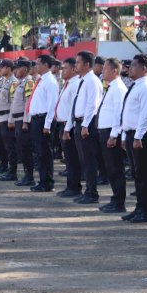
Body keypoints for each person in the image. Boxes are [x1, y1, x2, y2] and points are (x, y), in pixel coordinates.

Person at [119, 54, 147, 222]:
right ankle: (139, 207)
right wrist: (125, 134)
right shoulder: (137, 85)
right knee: (137, 174)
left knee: (144, 174)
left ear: (143, 68)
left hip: (142, 134)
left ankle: (145, 210)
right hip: (132, 133)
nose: (130, 69)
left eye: (134, 65)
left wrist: (138, 137)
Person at [64, 51, 103, 204]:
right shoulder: (83, 81)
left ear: (87, 64)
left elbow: (92, 105)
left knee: (89, 160)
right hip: (80, 122)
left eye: (78, 62)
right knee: (83, 160)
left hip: (88, 123)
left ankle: (92, 192)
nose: (76, 65)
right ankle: (88, 190)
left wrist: (85, 125)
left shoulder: (92, 81)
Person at [96, 57, 128, 213]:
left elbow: (119, 114)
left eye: (105, 69)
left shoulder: (119, 88)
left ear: (115, 71)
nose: (102, 72)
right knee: (110, 168)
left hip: (111, 132)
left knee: (116, 168)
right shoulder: (111, 87)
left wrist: (114, 135)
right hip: (105, 131)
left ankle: (119, 202)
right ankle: (115, 199)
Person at [26, 54, 59, 192]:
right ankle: (42, 180)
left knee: (44, 153)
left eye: (38, 64)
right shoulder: (41, 80)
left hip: (43, 120)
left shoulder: (50, 81)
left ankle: (47, 182)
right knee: (39, 153)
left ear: (46, 65)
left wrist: (47, 125)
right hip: (36, 119)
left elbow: (52, 105)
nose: (36, 66)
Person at [55, 58, 82, 198]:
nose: (62, 71)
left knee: (72, 159)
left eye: (65, 68)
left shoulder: (75, 84)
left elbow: (72, 108)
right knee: (69, 159)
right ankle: (70, 186)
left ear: (73, 69)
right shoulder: (67, 84)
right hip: (63, 124)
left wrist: (67, 128)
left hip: (68, 126)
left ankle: (74, 187)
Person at [9, 59, 35, 186]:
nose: (15, 71)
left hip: (23, 121)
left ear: (24, 69)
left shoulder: (28, 82)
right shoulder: (20, 83)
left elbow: (28, 103)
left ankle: (29, 176)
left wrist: (25, 121)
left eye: (18, 68)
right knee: (21, 149)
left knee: (25, 150)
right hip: (17, 119)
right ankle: (26, 175)